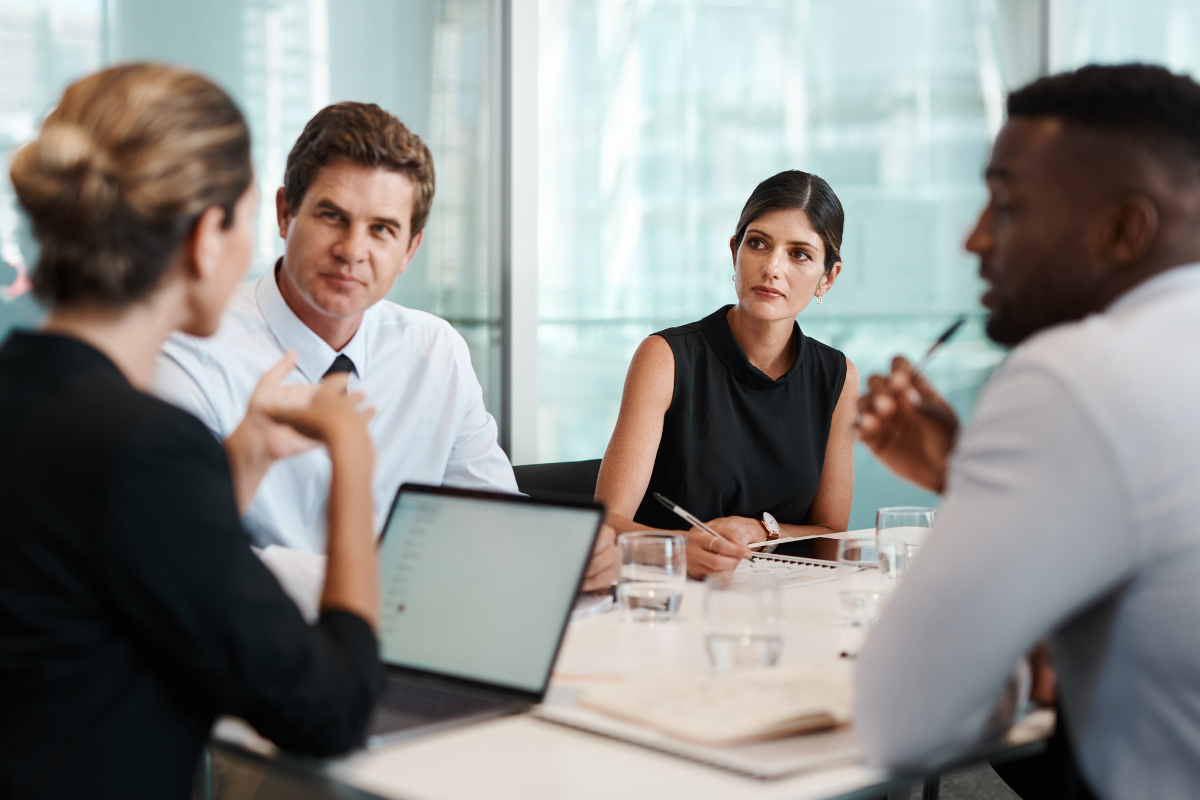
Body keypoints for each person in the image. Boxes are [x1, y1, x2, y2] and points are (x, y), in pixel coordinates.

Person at [0, 64, 382, 798]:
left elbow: (116, 573)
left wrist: (239, 457)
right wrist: (353, 460)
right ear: (208, 236)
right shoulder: (141, 446)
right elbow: (331, 708)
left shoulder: (32, 401)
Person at [854, 64, 1200, 800]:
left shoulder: (1075, 375)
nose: (974, 238)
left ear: (1121, 230)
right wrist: (960, 473)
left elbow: (900, 720)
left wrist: (1015, 650)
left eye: (1005, 204)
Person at [152, 102, 618, 591]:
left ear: (410, 250)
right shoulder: (192, 350)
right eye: (333, 216)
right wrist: (376, 583)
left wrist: (564, 550)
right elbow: (180, 551)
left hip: (416, 632)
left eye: (382, 229)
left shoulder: (434, 351)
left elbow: (490, 521)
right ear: (285, 213)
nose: (353, 250)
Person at [595, 170, 859, 578]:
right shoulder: (665, 358)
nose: (772, 267)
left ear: (829, 277)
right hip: (669, 597)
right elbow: (607, 524)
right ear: (735, 251)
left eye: (799, 254)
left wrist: (762, 530)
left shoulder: (837, 377)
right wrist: (682, 550)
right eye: (758, 244)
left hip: (785, 602)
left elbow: (830, 538)